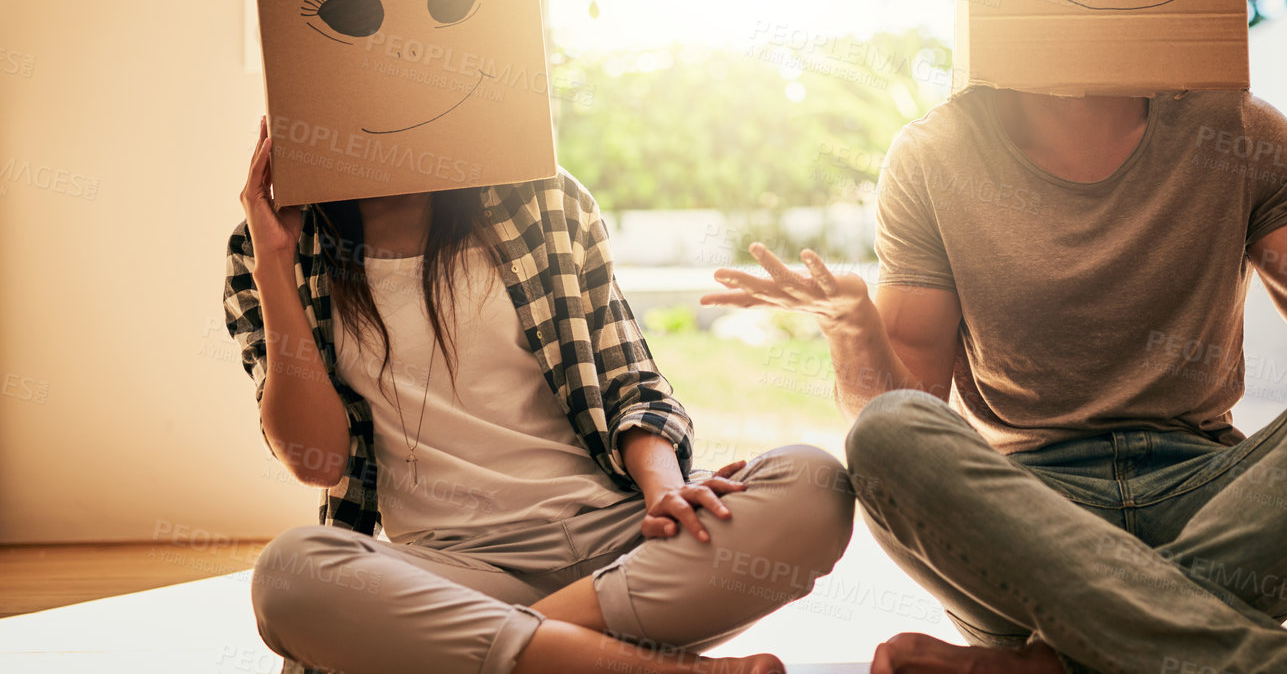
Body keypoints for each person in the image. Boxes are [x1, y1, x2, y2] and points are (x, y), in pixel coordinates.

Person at [707, 85, 1287, 674]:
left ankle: (1058, 665)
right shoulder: (934, 154)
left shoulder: (1234, 128)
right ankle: (1275, 669)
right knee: (884, 437)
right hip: (1025, 518)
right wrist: (848, 325)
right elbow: (901, 401)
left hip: (1212, 498)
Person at [224, 116, 854, 674]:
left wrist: (666, 489)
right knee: (291, 575)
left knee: (813, 484)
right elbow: (316, 462)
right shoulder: (271, 248)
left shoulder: (543, 201)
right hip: (460, 571)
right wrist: (273, 265)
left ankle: (516, 655)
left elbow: (631, 384)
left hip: (622, 540)